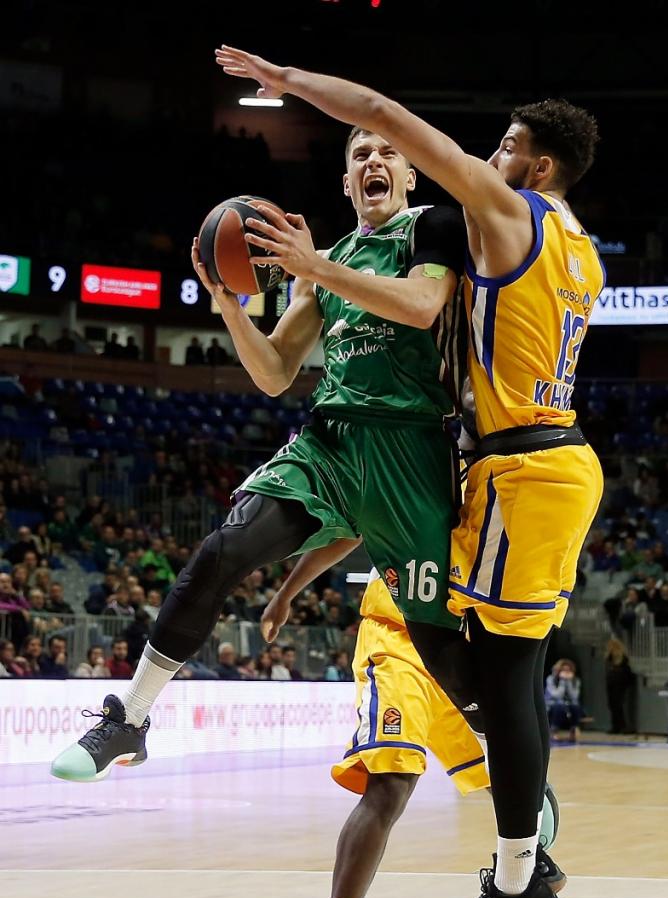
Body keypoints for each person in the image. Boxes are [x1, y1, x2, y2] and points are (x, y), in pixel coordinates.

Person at [215, 46, 604, 898]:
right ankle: (525, 871)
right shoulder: (578, 248)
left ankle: (518, 881)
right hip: (524, 471)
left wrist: (293, 85)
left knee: (499, 683)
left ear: (535, 165)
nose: (487, 156)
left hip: (524, 468)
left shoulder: (511, 213)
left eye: (504, 145)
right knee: (482, 679)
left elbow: (387, 115)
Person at [51, 122, 469, 796]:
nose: (374, 161)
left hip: (411, 449)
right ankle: (129, 717)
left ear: (410, 173)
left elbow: (423, 307)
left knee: (443, 650)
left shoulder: (430, 229)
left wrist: (314, 267)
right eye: (359, 153)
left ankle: (517, 784)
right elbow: (274, 372)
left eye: (387, 152)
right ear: (344, 180)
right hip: (330, 444)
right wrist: (228, 306)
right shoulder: (321, 266)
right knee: (223, 550)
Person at [260, 541, 567, 898]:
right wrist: (286, 593)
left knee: (522, 784)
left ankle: (519, 892)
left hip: (464, 651)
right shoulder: (404, 475)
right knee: (391, 783)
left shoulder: (492, 486)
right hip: (398, 644)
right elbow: (346, 533)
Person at [544, 659, 583, 741]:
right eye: (563, 670)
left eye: (568, 670)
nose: (566, 672)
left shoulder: (576, 680)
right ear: (558, 670)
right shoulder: (550, 679)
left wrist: (568, 682)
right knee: (559, 706)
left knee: (576, 707)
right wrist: (562, 681)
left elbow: (574, 697)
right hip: (553, 705)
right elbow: (556, 695)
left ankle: (573, 732)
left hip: (569, 705)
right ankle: (554, 732)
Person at [605, 638, 635, 735]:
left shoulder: (623, 660)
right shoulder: (610, 657)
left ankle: (623, 726)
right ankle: (616, 726)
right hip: (612, 683)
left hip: (620, 684)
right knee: (612, 705)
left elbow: (626, 674)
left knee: (618, 705)